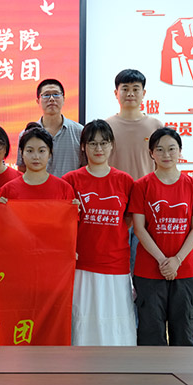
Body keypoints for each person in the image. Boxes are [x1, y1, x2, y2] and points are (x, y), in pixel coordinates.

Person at [129, 127, 193, 346]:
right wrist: (163, 261)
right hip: (149, 270)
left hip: (186, 270)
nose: (166, 154)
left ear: (180, 151)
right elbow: (139, 229)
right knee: (150, 334)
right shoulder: (141, 186)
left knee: (184, 331)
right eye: (160, 149)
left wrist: (177, 260)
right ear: (151, 153)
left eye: (172, 149)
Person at [62, 120, 137, 346]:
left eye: (104, 143)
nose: (98, 148)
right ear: (83, 146)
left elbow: (129, 218)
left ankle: (116, 365)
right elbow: (62, 222)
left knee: (115, 322)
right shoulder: (71, 180)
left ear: (112, 145)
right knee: (82, 321)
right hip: (82, 265)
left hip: (115, 264)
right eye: (92, 143)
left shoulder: (125, 181)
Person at [106, 69, 164, 272]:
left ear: (143, 93)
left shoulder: (155, 126)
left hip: (147, 205)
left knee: (144, 266)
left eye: (135, 89)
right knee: (116, 264)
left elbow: (163, 166)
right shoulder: (106, 126)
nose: (130, 93)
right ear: (116, 93)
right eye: (125, 88)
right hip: (114, 205)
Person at [16, 79, 83, 177]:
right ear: (38, 101)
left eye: (56, 94)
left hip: (70, 186)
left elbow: (85, 166)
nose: (51, 99)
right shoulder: (26, 134)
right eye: (46, 95)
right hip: (38, 186)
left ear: (64, 99)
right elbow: (22, 169)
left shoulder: (79, 131)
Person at [0, 125, 75, 201]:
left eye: (41, 151)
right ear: (21, 153)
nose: (36, 157)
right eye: (30, 151)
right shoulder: (8, 190)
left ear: (50, 153)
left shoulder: (64, 189)